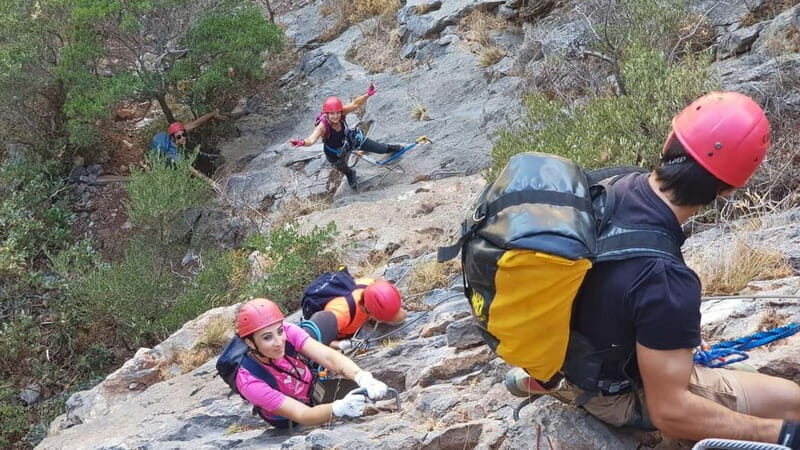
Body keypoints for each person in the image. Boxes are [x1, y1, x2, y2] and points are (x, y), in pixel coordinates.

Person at [506, 91, 800, 448]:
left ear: (668, 142)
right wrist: (780, 434)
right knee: (792, 403)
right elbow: (671, 411)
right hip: (608, 393)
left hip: (563, 348)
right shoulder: (665, 281)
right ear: (728, 189)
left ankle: (546, 377)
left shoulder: (611, 184)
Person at [234, 298, 390, 426]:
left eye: (279, 331)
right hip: (289, 417)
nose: (278, 342)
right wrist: (338, 408)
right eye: (267, 337)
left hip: (312, 386)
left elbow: (328, 357)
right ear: (250, 343)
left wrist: (361, 376)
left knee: (370, 395)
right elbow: (302, 414)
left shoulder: (287, 331)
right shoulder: (249, 381)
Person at [287, 83, 406, 189]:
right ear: (326, 114)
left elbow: (355, 104)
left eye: (337, 112)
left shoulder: (341, 112)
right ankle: (350, 174)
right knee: (343, 167)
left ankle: (392, 148)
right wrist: (301, 142)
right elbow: (311, 140)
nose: (335, 116)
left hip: (351, 140)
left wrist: (367, 95)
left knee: (380, 148)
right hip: (335, 152)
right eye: (332, 114)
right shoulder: (323, 126)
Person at [304, 277, 407, 350]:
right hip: (335, 330)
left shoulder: (373, 285)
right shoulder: (341, 313)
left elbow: (401, 316)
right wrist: (342, 344)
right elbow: (312, 341)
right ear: (369, 312)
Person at [150, 110, 225, 165]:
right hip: (170, 162)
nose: (182, 138)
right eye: (179, 137)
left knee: (191, 147)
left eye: (184, 134)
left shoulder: (178, 131)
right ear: (173, 138)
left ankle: (209, 158)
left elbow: (196, 123)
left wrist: (212, 113)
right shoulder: (172, 152)